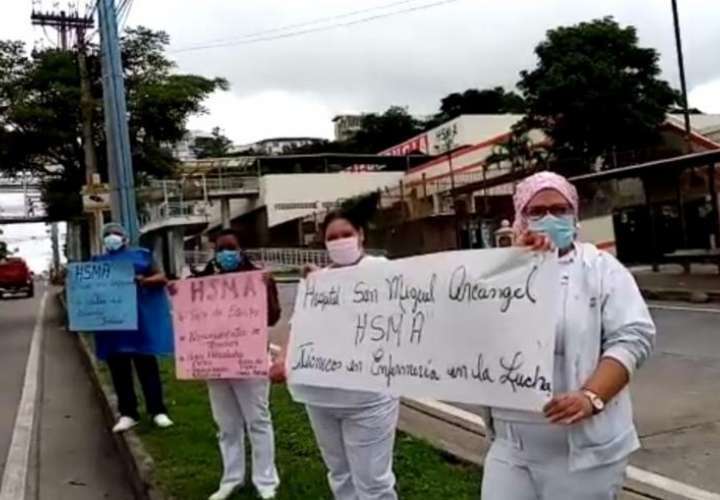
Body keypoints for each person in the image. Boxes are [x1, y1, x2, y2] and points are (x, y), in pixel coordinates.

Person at [480, 172, 657, 500]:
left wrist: (591, 397)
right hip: (510, 444)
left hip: (580, 454)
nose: (550, 218)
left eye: (560, 209)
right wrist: (515, 266)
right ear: (521, 217)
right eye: (537, 211)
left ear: (574, 215)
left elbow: (633, 338)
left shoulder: (602, 269)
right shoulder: (497, 273)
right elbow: (471, 333)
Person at [273, 204, 400, 500]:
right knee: (340, 474)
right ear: (324, 242)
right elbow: (299, 328)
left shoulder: (381, 270)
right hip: (320, 398)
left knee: (373, 481)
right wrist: (284, 359)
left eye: (346, 234)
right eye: (333, 237)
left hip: (368, 399)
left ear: (361, 236)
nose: (340, 241)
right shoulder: (317, 282)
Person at [201, 229, 282, 500]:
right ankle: (231, 478)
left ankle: (265, 479)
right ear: (215, 253)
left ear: (240, 251)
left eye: (231, 248)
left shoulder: (258, 277)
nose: (227, 254)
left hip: (249, 357)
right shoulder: (204, 280)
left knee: (258, 419)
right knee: (226, 424)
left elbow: (272, 317)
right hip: (216, 360)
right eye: (221, 249)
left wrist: (268, 287)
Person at [93, 223, 174, 433]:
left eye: (116, 234)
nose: (112, 237)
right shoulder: (97, 263)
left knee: (147, 367)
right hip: (113, 328)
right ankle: (128, 413)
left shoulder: (142, 256)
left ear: (125, 238)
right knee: (119, 372)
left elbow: (162, 277)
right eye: (108, 235)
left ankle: (157, 410)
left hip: (139, 323)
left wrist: (143, 280)